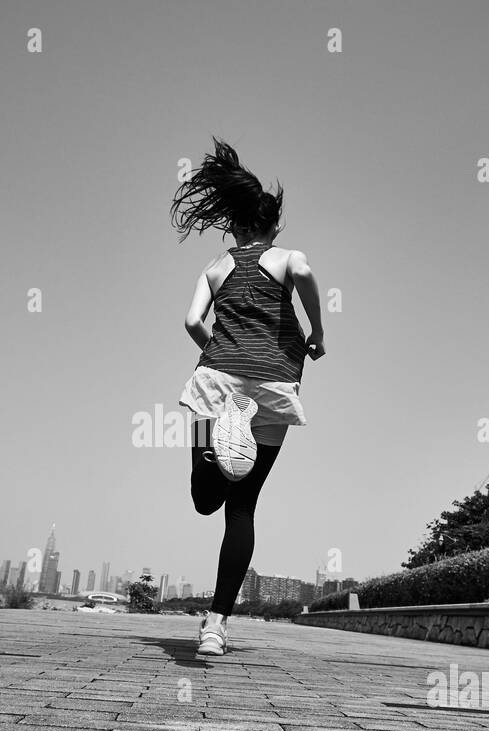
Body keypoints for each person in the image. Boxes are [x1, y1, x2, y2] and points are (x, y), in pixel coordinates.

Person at [170, 138, 326, 657]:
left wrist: (216, 351)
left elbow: (192, 321)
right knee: (242, 509)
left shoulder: (216, 268)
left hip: (212, 385)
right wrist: (316, 332)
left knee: (203, 500)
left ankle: (214, 450)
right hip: (271, 391)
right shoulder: (288, 257)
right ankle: (216, 625)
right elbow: (303, 275)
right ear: (273, 225)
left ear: (234, 226)